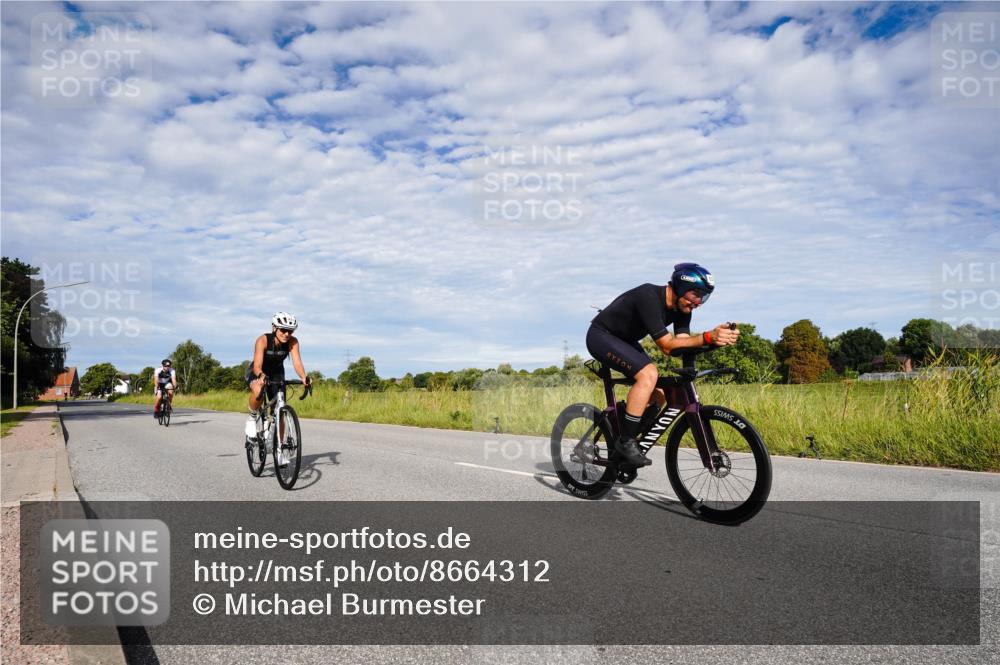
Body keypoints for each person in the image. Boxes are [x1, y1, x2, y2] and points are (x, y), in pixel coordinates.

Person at [587, 263, 740, 466]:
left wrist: (716, 342)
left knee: (658, 394)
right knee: (648, 374)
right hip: (601, 336)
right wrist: (707, 337)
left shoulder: (683, 309)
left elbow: (682, 345)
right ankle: (626, 441)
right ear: (681, 287)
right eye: (696, 295)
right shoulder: (648, 296)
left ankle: (622, 427)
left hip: (626, 342)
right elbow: (667, 346)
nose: (699, 302)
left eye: (704, 297)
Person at [245, 312, 311, 466]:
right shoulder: (263, 340)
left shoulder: (293, 342)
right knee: (258, 389)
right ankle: (252, 417)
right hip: (258, 371)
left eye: (290, 331)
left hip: (277, 373)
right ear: (274, 328)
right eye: (283, 330)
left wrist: (303, 377)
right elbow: (257, 366)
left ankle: (279, 451)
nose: (287, 334)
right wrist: (261, 376)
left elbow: (297, 363)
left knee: (279, 411)